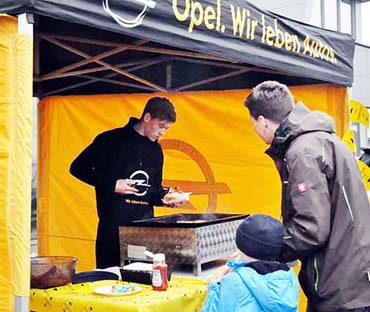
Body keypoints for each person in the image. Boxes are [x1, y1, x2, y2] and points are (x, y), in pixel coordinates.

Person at [242, 81, 370, 312]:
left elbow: (312, 229)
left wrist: (270, 249)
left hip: (340, 285)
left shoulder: (302, 151)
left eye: (252, 123)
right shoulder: (323, 140)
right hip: (354, 276)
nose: (255, 130)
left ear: (262, 121)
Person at [70, 97, 177, 269]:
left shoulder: (156, 151)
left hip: (144, 231)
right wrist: (112, 185)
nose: (163, 132)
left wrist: (165, 199)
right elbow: (77, 168)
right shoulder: (110, 140)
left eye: (167, 128)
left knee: (144, 285)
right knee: (110, 282)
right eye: (161, 126)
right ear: (147, 117)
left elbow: (153, 190)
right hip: (113, 231)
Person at [202, 214, 299, 312]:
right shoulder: (289, 276)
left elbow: (214, 308)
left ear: (240, 243)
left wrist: (214, 287)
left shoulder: (233, 281)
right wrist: (228, 266)